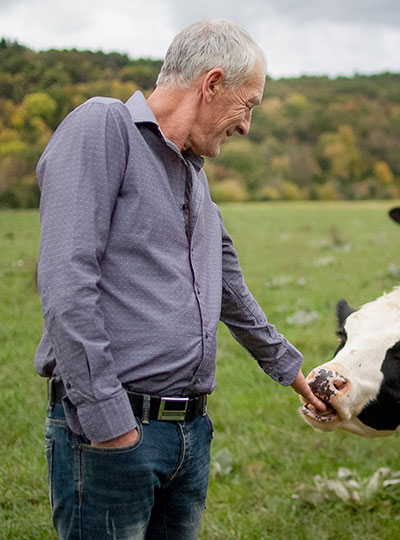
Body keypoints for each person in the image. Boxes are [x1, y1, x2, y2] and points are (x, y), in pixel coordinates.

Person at [35, 19, 326, 540]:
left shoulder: (192, 170)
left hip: (188, 435)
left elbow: (229, 283)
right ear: (212, 84)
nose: (247, 126)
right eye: (249, 104)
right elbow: (65, 283)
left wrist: (291, 370)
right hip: (116, 432)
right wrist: (112, 427)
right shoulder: (105, 127)